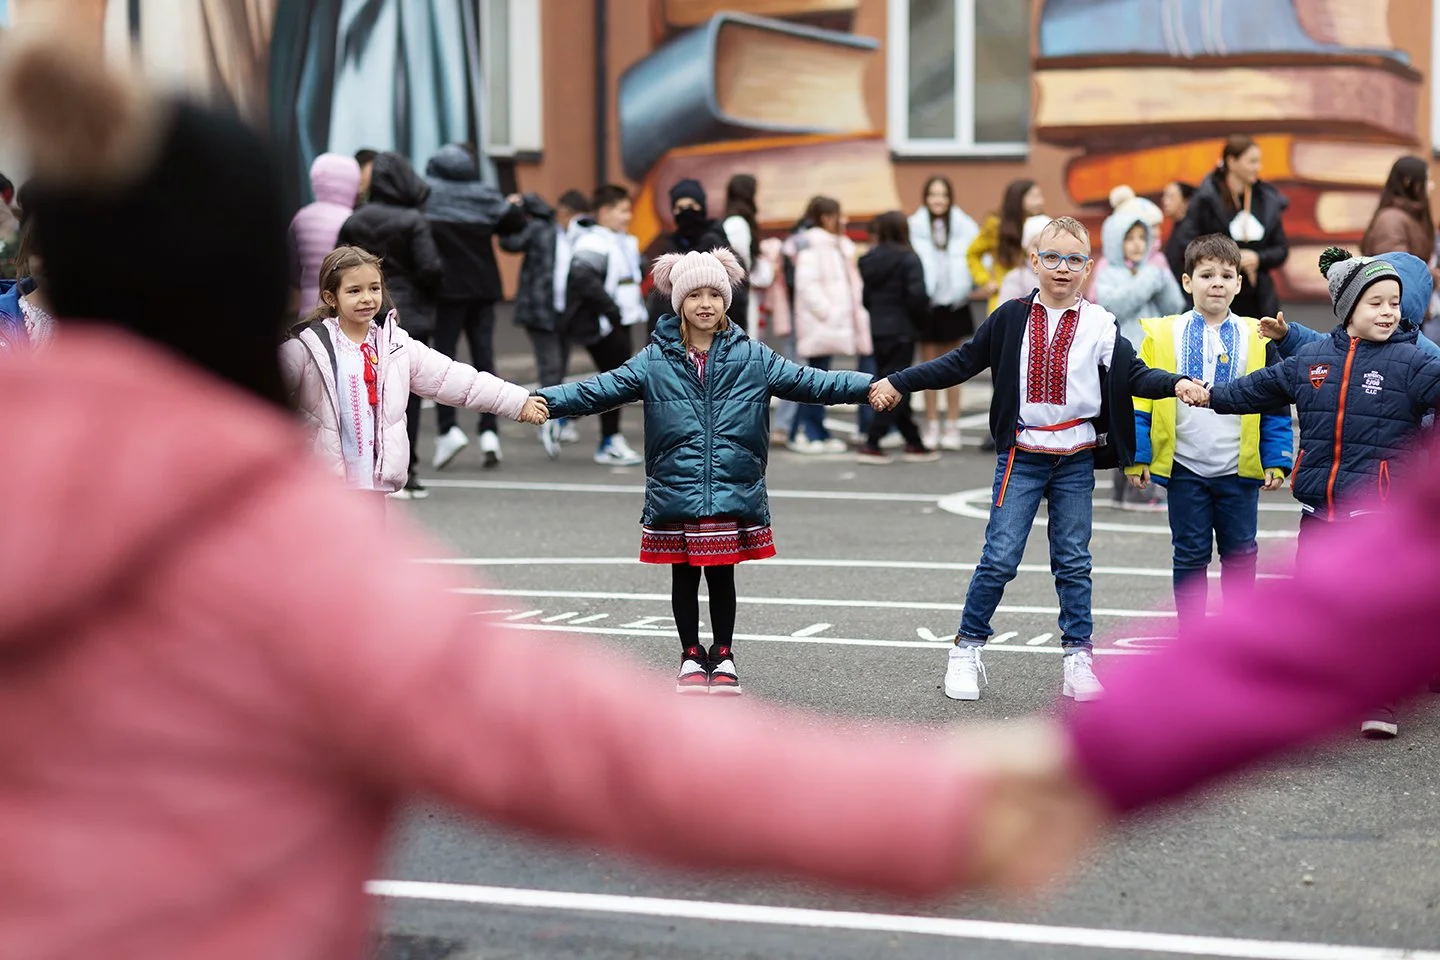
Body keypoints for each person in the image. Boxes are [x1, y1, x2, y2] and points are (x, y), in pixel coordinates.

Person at [0, 40, 1012, 954]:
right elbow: (578, 744)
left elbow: (450, 375)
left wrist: (527, 399)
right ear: (255, 283)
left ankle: (717, 653)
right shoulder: (281, 540)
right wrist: (941, 815)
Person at [870, 217, 1208, 704]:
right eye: (1052, 257)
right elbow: (960, 362)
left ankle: (1078, 657)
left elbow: (1134, 374)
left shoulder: (1101, 323)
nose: (1062, 268)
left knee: (1074, 561)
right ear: (1034, 261)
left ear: (1088, 268)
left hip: (1075, 458)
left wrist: (1175, 383)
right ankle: (966, 648)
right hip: (1021, 455)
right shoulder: (1009, 318)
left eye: (1073, 259)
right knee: (1000, 557)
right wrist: (901, 381)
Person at [541, 248, 875, 693]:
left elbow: (811, 382)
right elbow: (600, 388)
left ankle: (723, 654)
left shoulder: (754, 355)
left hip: (730, 485)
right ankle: (690, 656)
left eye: (714, 295)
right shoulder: (654, 359)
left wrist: (868, 387)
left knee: (721, 576)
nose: (705, 304)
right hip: (675, 485)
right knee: (683, 576)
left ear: (726, 300)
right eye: (695, 295)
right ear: (679, 302)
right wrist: (544, 401)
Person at [1206, 248, 1440, 737]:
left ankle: (1379, 699)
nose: (1389, 312)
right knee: (1316, 606)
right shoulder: (1313, 359)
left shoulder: (1413, 361)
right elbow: (1258, 387)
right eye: (1376, 302)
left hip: (1377, 512)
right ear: (1349, 308)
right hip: (1318, 509)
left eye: (1394, 303)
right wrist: (1209, 395)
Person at [1126, 235, 1292, 636]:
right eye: (1206, 274)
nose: (1217, 282)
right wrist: (1138, 455)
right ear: (1187, 282)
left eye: (1226, 275)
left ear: (1239, 284)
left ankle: (1238, 637)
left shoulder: (1257, 336)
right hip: (1185, 467)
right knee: (1189, 555)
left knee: (1241, 555)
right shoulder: (1163, 334)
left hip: (1238, 469)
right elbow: (1141, 398)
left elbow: (1274, 400)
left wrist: (1276, 458)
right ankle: (1192, 639)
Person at [280, 246, 547, 496]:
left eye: (374, 288)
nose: (367, 298)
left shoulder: (396, 345)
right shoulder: (309, 347)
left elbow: (454, 379)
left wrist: (517, 401)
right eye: (354, 291)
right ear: (331, 297)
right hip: (323, 488)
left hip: (375, 486)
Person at [337, 150, 445, 498]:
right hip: (407, 314)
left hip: (362, 315)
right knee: (406, 396)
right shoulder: (414, 220)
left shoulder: (354, 220)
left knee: (361, 392)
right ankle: (405, 471)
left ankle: (365, 468)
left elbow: (338, 266)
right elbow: (430, 268)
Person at [423, 142, 528, 471]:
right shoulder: (485, 196)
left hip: (446, 291)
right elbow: (513, 223)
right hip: (483, 288)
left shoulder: (428, 196)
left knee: (442, 361)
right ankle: (489, 431)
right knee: (484, 358)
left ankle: (447, 429)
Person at [1091, 185, 1189, 511]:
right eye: (1129, 238)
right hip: (1118, 359)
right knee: (1124, 421)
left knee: (1146, 418)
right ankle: (1131, 487)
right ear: (1115, 240)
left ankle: (1134, 485)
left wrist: (1159, 278)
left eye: (1141, 238)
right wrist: (1148, 280)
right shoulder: (1108, 271)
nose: (1136, 244)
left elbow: (1175, 304)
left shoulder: (1154, 267)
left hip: (1150, 356)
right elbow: (1114, 304)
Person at [499, 188, 592, 457]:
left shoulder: (582, 236)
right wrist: (514, 210)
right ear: (563, 212)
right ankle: (547, 420)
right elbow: (510, 243)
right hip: (539, 309)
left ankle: (559, 419)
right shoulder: (541, 228)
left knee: (561, 368)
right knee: (550, 367)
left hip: (567, 311)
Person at [562, 184, 648, 466]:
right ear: (604, 211)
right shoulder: (592, 242)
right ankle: (608, 440)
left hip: (621, 319)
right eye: (622, 210)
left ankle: (565, 415)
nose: (628, 216)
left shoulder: (621, 240)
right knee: (617, 383)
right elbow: (583, 279)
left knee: (614, 382)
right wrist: (610, 311)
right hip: (605, 323)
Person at [788, 195, 872, 454]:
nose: (843, 220)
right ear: (826, 218)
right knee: (815, 380)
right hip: (821, 323)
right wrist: (829, 312)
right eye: (838, 215)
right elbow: (806, 284)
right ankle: (808, 433)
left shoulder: (835, 244)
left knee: (818, 378)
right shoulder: (813, 244)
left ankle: (816, 432)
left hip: (828, 323)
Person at [1172, 135, 1290, 318]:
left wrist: (1258, 258)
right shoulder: (1206, 199)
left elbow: (1281, 248)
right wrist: (1227, 258)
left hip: (1258, 299)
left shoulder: (1266, 200)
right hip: (1215, 297)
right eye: (1252, 161)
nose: (1258, 167)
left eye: (1258, 161)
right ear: (1232, 162)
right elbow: (1186, 242)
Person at [856, 211, 940, 464]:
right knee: (898, 385)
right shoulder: (909, 258)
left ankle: (913, 441)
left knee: (891, 380)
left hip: (879, 329)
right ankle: (873, 441)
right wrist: (922, 321)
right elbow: (917, 296)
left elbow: (866, 299)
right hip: (903, 328)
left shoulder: (869, 260)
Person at [1260, 251, 1440, 363]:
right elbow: (1317, 349)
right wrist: (1287, 335)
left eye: (1393, 303)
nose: (1385, 311)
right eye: (1374, 302)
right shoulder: (1354, 338)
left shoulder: (1424, 355)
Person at [908, 175, 981, 451]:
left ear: (950, 198)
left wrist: (974, 284)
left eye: (943, 195)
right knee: (927, 368)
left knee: (954, 368)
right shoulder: (915, 226)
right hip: (927, 304)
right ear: (925, 198)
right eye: (933, 194)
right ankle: (931, 424)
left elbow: (978, 257)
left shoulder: (964, 226)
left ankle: (952, 425)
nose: (938, 200)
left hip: (955, 304)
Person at [644, 178, 746, 332]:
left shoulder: (716, 243)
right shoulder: (669, 247)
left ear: (702, 207)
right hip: (677, 336)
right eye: (679, 208)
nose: (686, 212)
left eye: (691, 206)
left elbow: (737, 297)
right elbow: (659, 304)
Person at [286, 152, 361, 319]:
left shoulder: (302, 217)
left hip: (307, 306)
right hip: (342, 307)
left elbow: (292, 266)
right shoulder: (352, 219)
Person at [967, 178, 1045, 316]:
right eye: (1034, 197)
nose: (1040, 201)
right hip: (1004, 296)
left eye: (1040, 196)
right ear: (1018, 199)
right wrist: (985, 280)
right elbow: (973, 254)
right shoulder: (996, 225)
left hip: (1033, 295)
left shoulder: (1040, 224)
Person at [1360, 156, 1437, 287]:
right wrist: (1434, 277)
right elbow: (1397, 267)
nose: (1431, 185)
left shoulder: (1411, 217)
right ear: (1409, 182)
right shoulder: (1391, 220)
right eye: (1427, 180)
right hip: (1398, 298)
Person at [721, 173, 774, 339]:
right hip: (739, 302)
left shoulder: (736, 222)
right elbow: (739, 269)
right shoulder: (737, 224)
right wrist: (769, 271)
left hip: (742, 298)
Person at [995, 214, 1051, 304]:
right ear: (1026, 248)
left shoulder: (1062, 275)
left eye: (1047, 244)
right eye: (1036, 245)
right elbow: (1007, 310)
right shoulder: (1016, 278)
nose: (1041, 250)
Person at [1161, 180, 1195, 282]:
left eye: (1171, 197)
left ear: (1186, 201)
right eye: (1165, 196)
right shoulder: (1178, 226)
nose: (1165, 201)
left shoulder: (1190, 230)